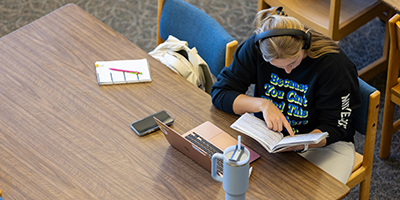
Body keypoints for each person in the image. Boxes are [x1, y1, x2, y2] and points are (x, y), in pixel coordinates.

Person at [210, 7, 361, 184]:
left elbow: (336, 127)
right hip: (268, 137)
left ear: (304, 45)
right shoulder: (255, 48)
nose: (288, 71)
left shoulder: (334, 67)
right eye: (278, 66)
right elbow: (221, 92)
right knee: (238, 181)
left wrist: (302, 143)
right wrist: (262, 105)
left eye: (293, 62)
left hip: (322, 145)